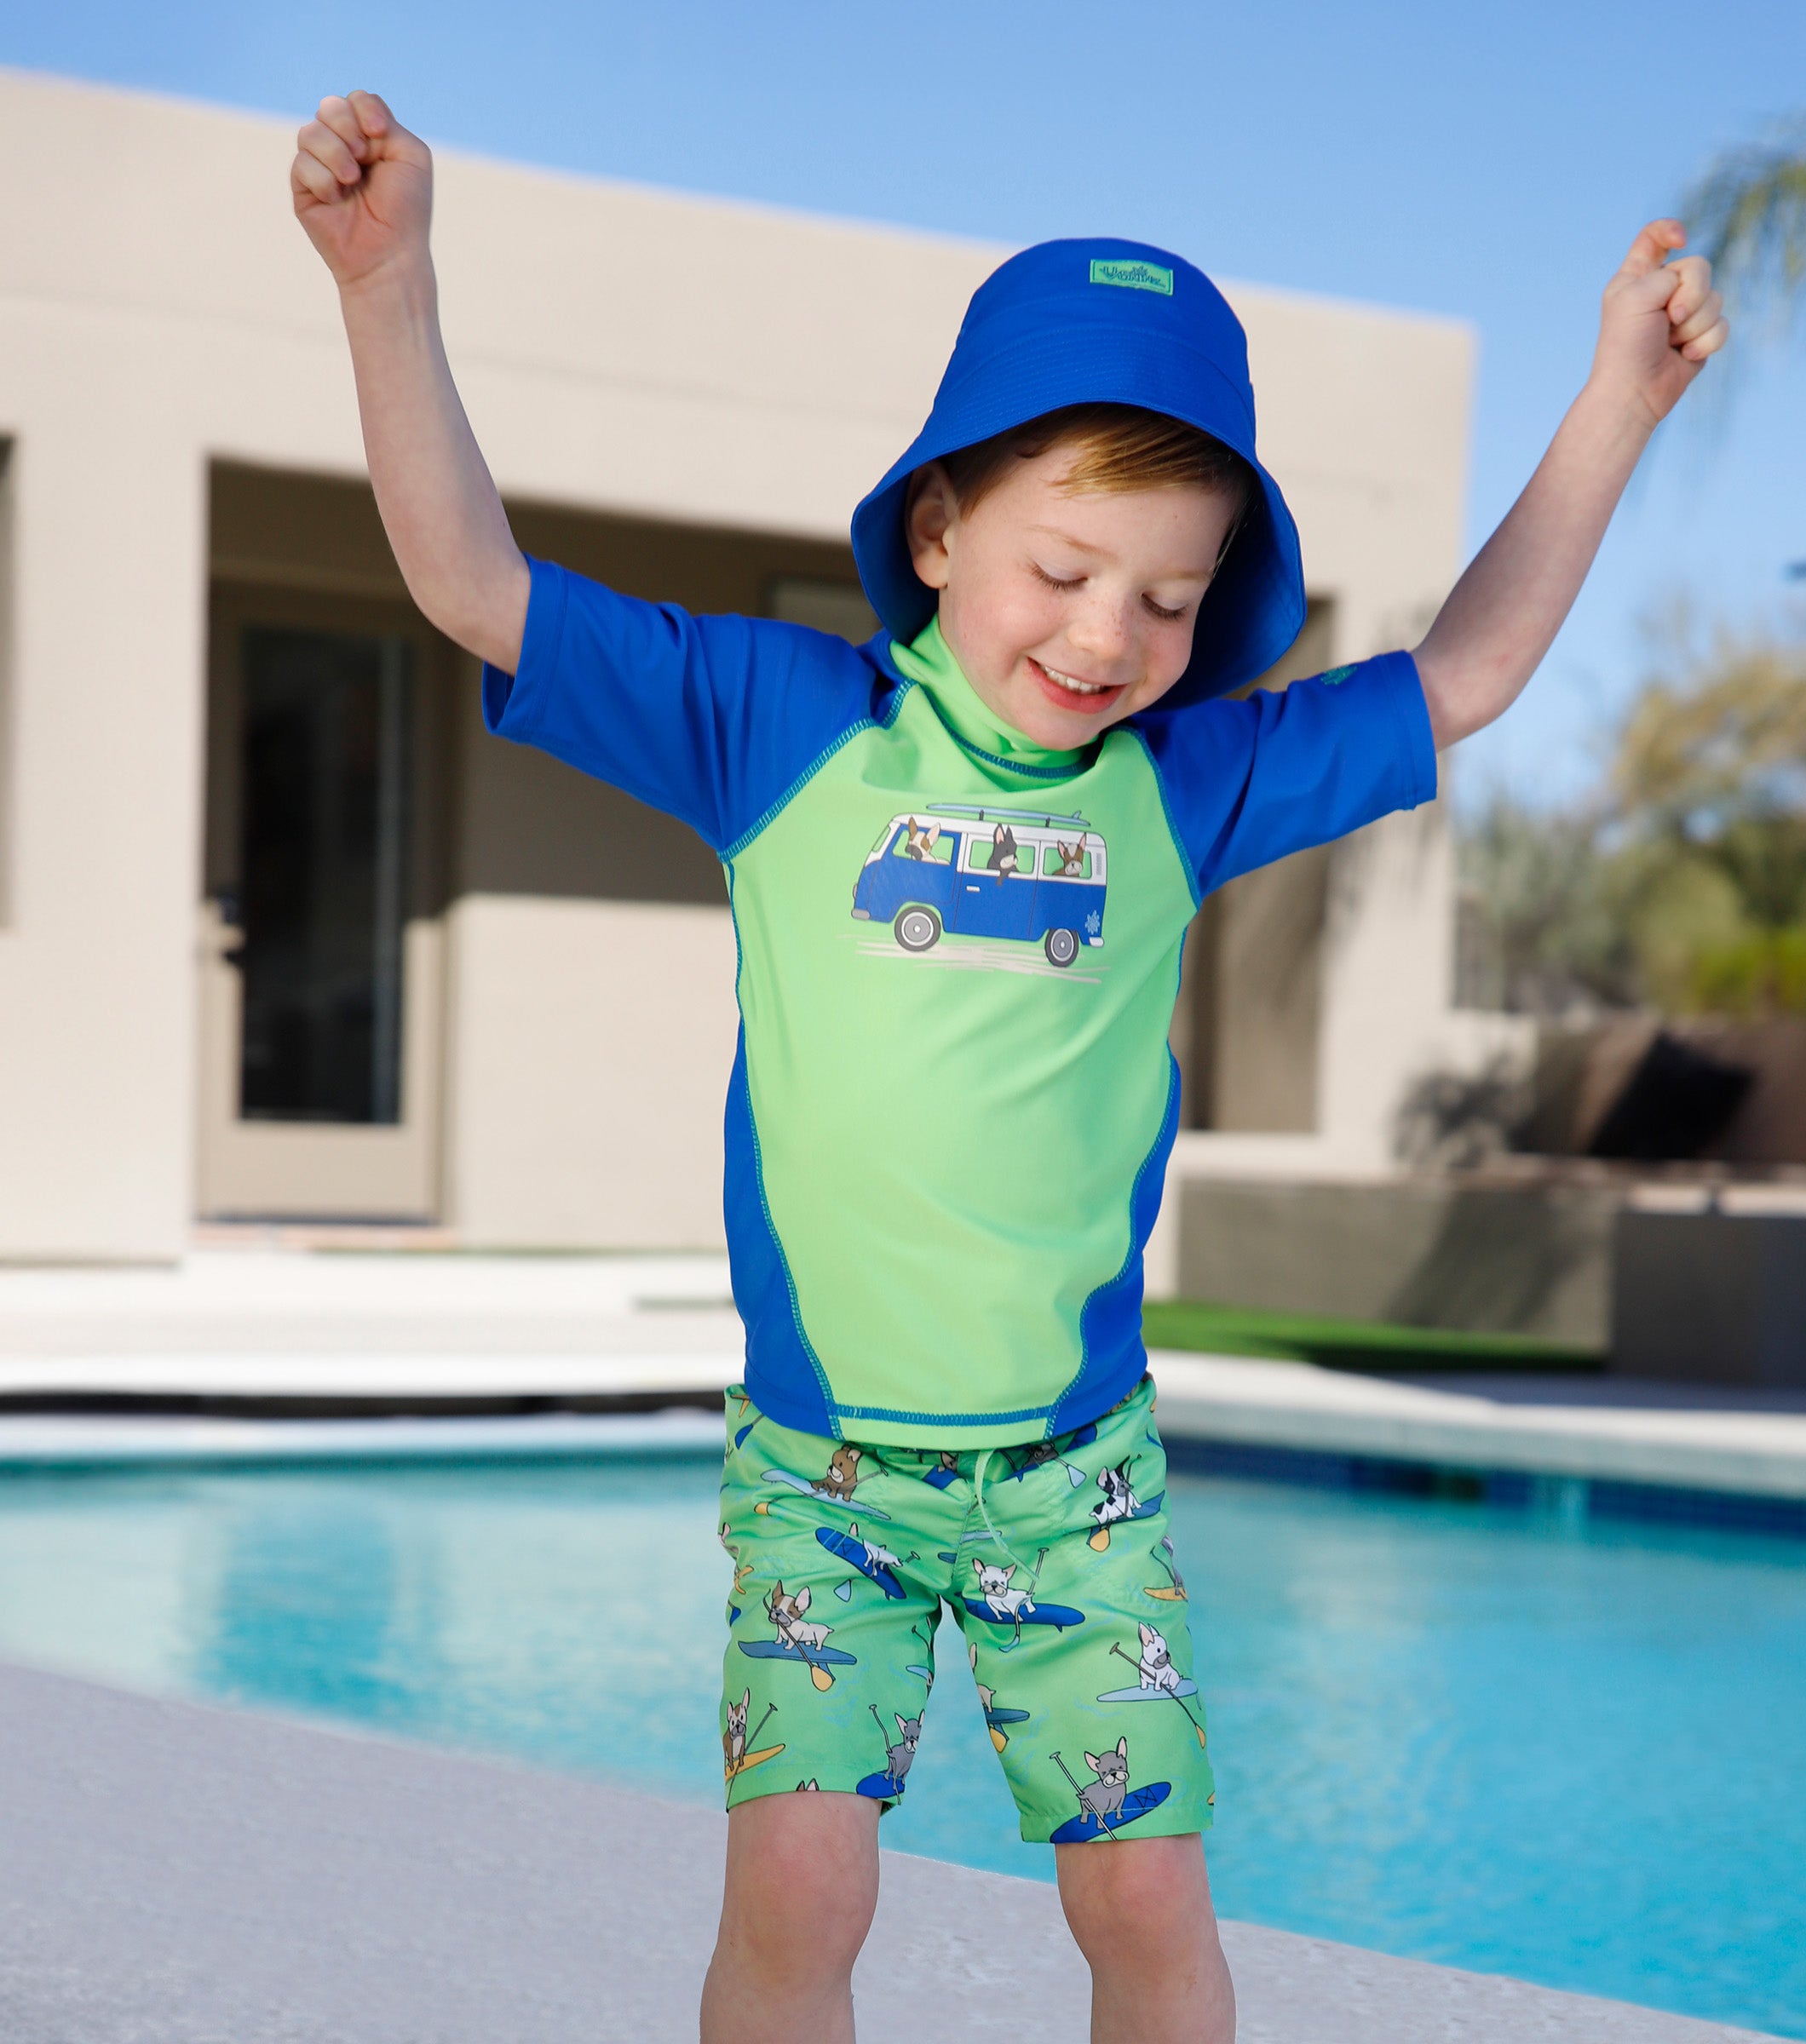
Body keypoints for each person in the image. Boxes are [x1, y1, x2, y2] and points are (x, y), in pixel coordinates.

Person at [290, 89, 1727, 2044]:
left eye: (1170, 597)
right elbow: (476, 586)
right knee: (800, 1888)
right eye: (1063, 567)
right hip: (827, 1475)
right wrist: (387, 290)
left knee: (1147, 1902)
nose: (1108, 632)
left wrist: (1616, 405)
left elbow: (1461, 675)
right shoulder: (774, 725)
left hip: (1077, 1476)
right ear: (941, 525)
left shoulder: (1185, 785)